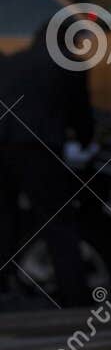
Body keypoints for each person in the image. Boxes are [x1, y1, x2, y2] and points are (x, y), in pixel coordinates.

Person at [0, 19, 94, 308]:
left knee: (5, 219)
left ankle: (3, 286)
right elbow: (80, 111)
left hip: (2, 145)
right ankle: (73, 292)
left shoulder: (14, 61)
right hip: (39, 149)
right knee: (57, 221)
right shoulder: (68, 64)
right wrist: (85, 141)